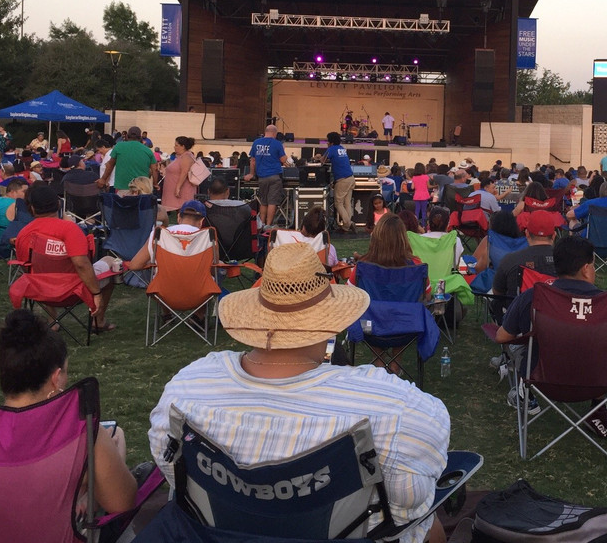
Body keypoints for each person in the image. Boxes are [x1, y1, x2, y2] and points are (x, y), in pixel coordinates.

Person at [149, 243, 450, 543]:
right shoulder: (395, 409)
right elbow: (409, 501)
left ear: (257, 315)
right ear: (329, 321)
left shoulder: (187, 391)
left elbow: (175, 476)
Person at [0, 309, 137, 515]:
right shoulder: (81, 434)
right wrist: (90, 481)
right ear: (56, 377)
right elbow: (121, 503)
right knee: (117, 438)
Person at [496, 235, 607, 409]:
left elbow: (502, 337)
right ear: (586, 269)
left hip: (543, 381)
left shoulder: (533, 297)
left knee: (520, 346)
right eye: (593, 265)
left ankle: (524, 397)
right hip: (599, 383)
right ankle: (600, 411)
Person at [15, 184, 118, 332]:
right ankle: (98, 320)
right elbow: (81, 264)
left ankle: (53, 320)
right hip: (74, 291)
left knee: (40, 271)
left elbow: (27, 268)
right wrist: (96, 293)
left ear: (31, 208)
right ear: (58, 204)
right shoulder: (70, 229)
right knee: (110, 262)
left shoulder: (24, 234)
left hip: (41, 290)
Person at [491, 210, 557, 307]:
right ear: (554, 235)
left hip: (520, 318)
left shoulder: (511, 260)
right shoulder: (568, 262)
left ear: (527, 234)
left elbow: (497, 292)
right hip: (557, 317)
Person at [243, 125, 290, 228]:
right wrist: (283, 150)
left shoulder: (256, 143)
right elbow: (283, 160)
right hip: (274, 176)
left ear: (265, 132)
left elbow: (253, 160)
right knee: (272, 202)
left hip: (262, 177)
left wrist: (251, 173)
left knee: (263, 201)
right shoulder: (277, 144)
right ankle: (268, 226)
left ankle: (261, 224)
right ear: (275, 133)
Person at [97, 126, 157, 194]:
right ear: (140, 137)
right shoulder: (148, 151)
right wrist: (155, 184)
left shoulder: (119, 147)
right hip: (142, 189)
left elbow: (110, 165)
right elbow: (154, 169)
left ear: (127, 136)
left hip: (122, 188)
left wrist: (103, 179)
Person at [319, 132, 355, 233]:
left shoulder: (331, 149)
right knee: (347, 203)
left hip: (342, 180)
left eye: (327, 141)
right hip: (351, 178)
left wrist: (317, 157)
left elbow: (323, 160)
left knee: (338, 203)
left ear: (331, 142)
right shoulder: (342, 148)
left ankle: (348, 223)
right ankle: (346, 227)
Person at [159, 136, 198, 224]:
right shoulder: (181, 156)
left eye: (176, 145)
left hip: (182, 190)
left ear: (183, 146)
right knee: (179, 213)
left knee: (183, 211)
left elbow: (184, 172)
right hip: (175, 189)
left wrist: (178, 187)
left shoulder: (186, 157)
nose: (174, 147)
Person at [0, 176, 28, 245]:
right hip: (6, 245)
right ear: (13, 192)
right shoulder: (17, 205)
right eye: (25, 192)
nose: (27, 194)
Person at [406, 162, 431, 227]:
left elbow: (412, 187)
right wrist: (435, 186)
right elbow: (429, 186)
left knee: (417, 211)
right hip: (424, 196)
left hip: (417, 196)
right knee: (424, 211)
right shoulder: (426, 177)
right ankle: (424, 225)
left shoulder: (414, 177)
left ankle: (416, 224)